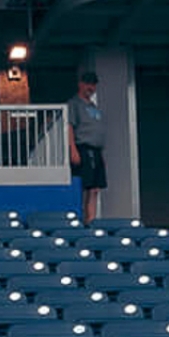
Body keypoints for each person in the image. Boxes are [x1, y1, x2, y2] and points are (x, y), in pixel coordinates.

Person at [68, 69, 107, 223]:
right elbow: (69, 126)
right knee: (86, 186)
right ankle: (83, 219)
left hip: (97, 150)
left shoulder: (93, 107)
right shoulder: (74, 104)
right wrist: (73, 149)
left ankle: (92, 220)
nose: (90, 88)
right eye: (88, 84)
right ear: (81, 84)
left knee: (95, 188)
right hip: (83, 147)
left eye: (93, 85)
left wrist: (102, 155)